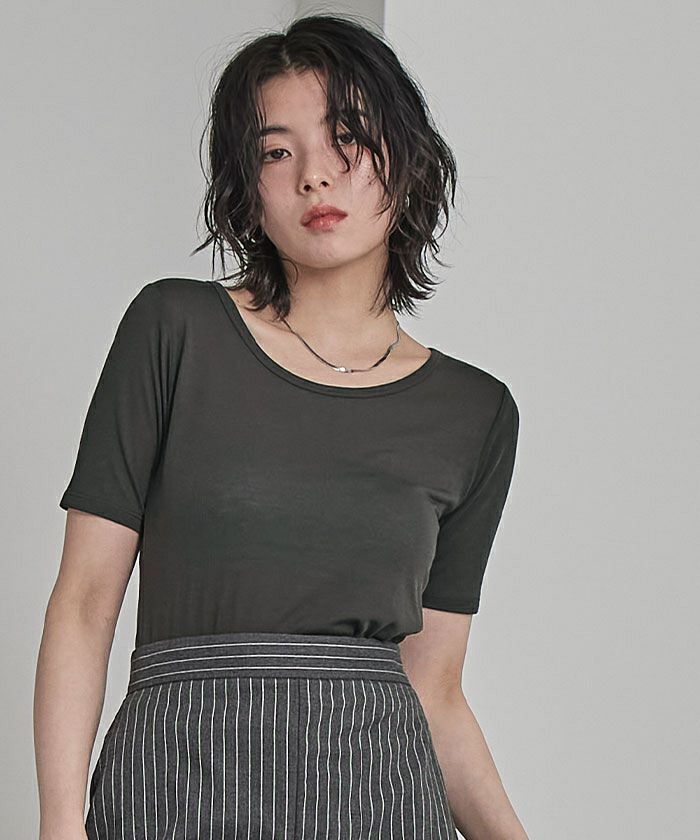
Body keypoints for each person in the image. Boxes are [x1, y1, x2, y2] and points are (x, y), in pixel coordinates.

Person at [34, 13, 528, 840]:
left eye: (347, 139)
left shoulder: (475, 412)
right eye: (275, 151)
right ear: (247, 188)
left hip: (380, 802)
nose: (313, 176)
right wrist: (59, 823)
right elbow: (85, 604)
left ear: (408, 162)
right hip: (176, 789)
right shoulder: (174, 331)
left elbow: (435, 689)